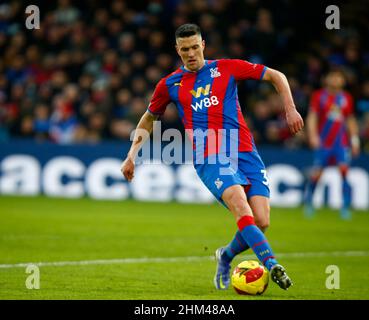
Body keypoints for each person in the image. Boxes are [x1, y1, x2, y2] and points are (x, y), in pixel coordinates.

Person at [121, 24, 304, 291]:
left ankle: (226, 255)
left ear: (203, 45)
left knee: (262, 220)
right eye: (185, 50)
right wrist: (131, 156)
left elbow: (277, 76)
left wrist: (290, 110)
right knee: (241, 207)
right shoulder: (169, 84)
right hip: (209, 155)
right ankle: (272, 263)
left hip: (244, 151)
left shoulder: (227, 68)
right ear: (177, 50)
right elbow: (149, 118)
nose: (191, 54)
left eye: (195, 47)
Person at [305, 70, 360, 220]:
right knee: (317, 174)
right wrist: (313, 135)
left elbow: (350, 120)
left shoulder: (346, 98)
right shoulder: (319, 96)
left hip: (341, 143)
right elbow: (312, 117)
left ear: (343, 80)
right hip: (324, 143)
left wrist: (354, 140)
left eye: (339, 77)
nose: (336, 80)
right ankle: (309, 203)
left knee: (344, 172)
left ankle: (345, 208)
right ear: (326, 79)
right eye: (333, 76)